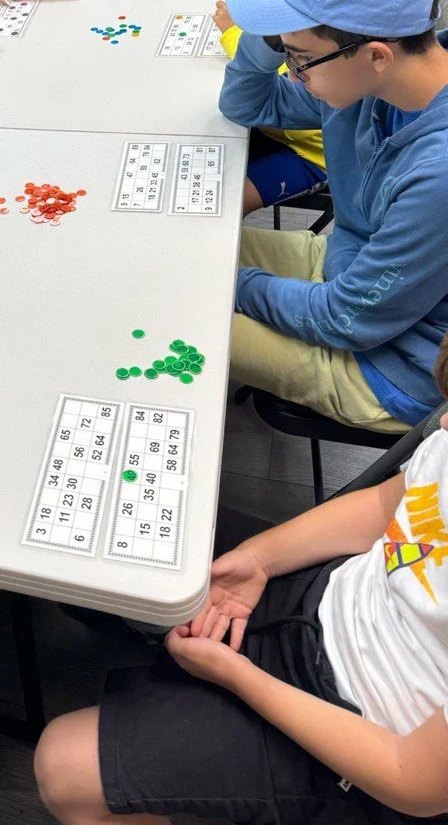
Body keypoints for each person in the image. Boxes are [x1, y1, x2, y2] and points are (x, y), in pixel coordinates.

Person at [34, 328, 448, 825]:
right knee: (105, 530)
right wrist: (260, 559)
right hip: (332, 602)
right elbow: (390, 504)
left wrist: (236, 678)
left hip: (363, 740)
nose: (442, 425)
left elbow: (411, 778)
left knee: (63, 767)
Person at [220, 0, 448, 430]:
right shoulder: (373, 81)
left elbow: (345, 319)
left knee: (180, 311)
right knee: (189, 248)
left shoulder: (439, 174)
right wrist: (277, 34)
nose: (294, 72)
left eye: (298, 58)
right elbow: (244, 101)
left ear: (375, 57)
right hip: (352, 269)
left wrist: (227, 286)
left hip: (392, 364)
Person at [213, 0, 338, 215]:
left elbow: (282, 77)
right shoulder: (306, 53)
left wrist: (233, 33)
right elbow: (241, 105)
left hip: (312, 155)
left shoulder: (331, 70)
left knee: (223, 208)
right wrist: (268, 34)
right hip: (275, 125)